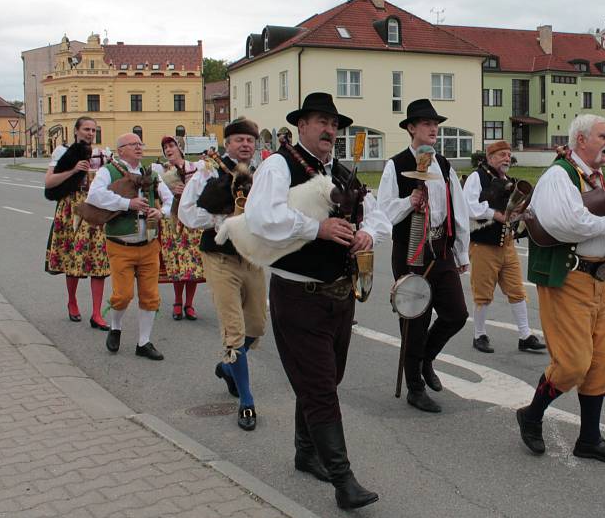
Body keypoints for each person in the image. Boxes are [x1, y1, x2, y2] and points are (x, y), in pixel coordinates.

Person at [245, 92, 389, 510]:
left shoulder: (342, 172)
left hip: (340, 297)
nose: (329, 130)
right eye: (321, 121)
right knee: (322, 387)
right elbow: (261, 218)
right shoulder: (279, 165)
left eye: (334, 124)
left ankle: (306, 452)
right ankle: (344, 482)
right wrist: (316, 229)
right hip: (298, 294)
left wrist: (367, 234)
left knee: (325, 380)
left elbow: (376, 215)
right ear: (302, 126)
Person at [515, 114, 605, 464]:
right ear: (581, 140)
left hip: (598, 279)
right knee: (572, 363)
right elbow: (562, 222)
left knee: (601, 362)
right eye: (604, 135)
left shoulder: (598, 177)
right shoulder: (559, 175)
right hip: (568, 278)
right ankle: (532, 414)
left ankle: (589, 439)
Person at [377, 99, 470, 414]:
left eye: (436, 124)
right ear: (411, 128)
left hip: (439, 248)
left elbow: (457, 210)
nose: (433, 128)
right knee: (414, 320)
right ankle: (415, 386)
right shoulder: (395, 164)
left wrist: (461, 251)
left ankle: (425, 358)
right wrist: (409, 201)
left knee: (456, 314)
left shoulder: (443, 165)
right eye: (427, 123)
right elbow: (385, 211)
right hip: (409, 250)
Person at [179, 118, 266, 431]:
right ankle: (246, 400)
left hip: (252, 258)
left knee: (257, 326)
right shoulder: (208, 171)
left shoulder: (260, 174)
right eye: (239, 139)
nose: (245, 144)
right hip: (219, 257)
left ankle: (227, 370)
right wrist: (222, 214)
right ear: (227, 143)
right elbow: (186, 213)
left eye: (250, 140)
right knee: (234, 330)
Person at [86, 132, 173, 361]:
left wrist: (160, 212)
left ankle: (144, 342)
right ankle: (116, 327)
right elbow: (94, 196)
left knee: (150, 296)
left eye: (140, 144)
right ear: (121, 149)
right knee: (123, 295)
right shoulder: (108, 170)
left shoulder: (152, 173)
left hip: (149, 244)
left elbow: (169, 199)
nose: (138, 147)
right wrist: (127, 203)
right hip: (120, 244)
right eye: (133, 144)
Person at [463, 140, 546, 354]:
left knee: (517, 290)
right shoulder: (477, 177)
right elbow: (469, 206)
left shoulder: (509, 181)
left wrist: (523, 212)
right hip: (484, 244)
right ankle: (479, 334)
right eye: (502, 155)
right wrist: (495, 214)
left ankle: (525, 335)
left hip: (507, 244)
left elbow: (513, 211)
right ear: (490, 158)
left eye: (508, 155)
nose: (507, 158)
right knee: (483, 292)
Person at [44, 116, 112, 329]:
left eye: (93, 130)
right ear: (76, 131)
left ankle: (96, 313)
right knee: (74, 255)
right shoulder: (62, 152)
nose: (90, 133)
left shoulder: (102, 154)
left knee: (99, 259)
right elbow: (48, 182)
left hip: (95, 206)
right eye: (86, 129)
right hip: (72, 206)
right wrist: (73, 170)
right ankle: (72, 301)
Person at [151, 136, 205, 321]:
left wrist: (190, 191)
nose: (168, 149)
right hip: (172, 221)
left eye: (171, 145)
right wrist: (171, 192)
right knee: (176, 262)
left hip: (191, 220)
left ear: (180, 147)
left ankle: (189, 303)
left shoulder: (196, 168)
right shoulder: (162, 173)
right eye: (165, 147)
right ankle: (177, 301)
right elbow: (156, 194)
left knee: (192, 264)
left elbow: (205, 191)